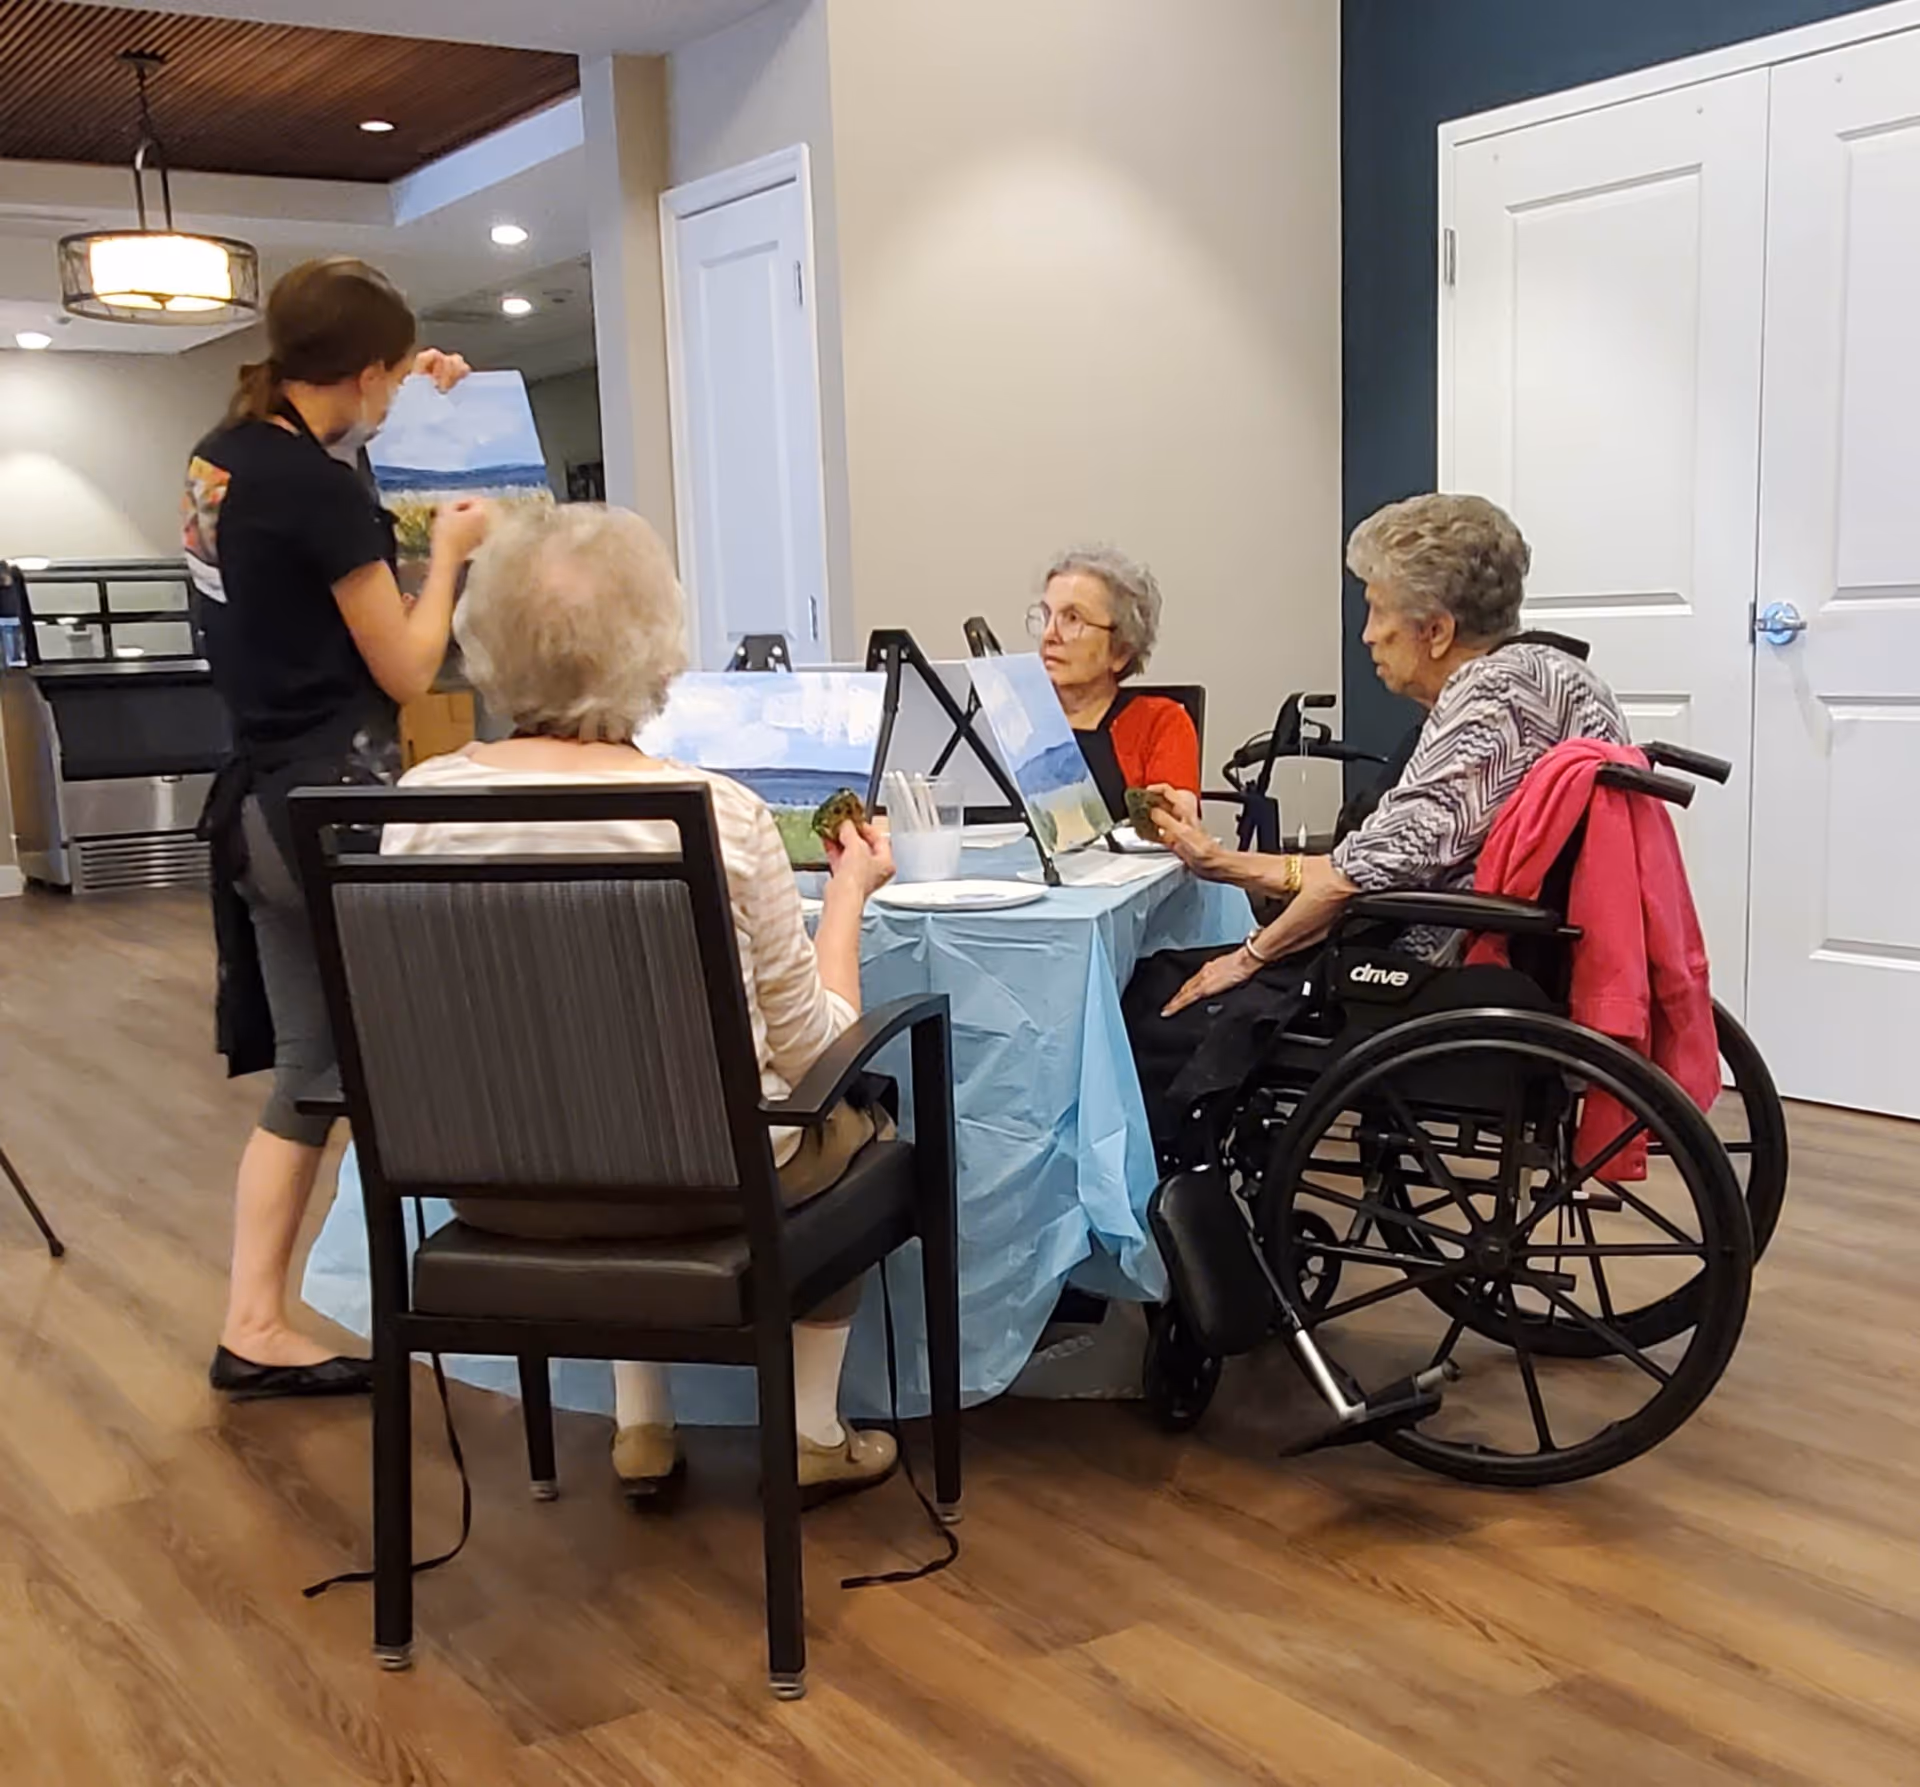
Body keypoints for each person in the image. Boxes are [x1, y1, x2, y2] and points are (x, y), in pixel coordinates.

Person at [380, 502, 903, 1507]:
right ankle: (811, 1431)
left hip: (487, 1186)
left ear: (486, 640)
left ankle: (641, 1424)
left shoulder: (417, 807)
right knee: (860, 1123)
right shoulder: (720, 812)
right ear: (658, 651)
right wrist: (845, 902)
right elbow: (807, 1051)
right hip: (702, 1185)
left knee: (590, 1080)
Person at [188, 256, 487, 1399]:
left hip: (259, 805)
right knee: (424, 1050)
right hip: (333, 807)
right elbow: (409, 668)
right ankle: (474, 1289)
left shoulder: (225, 455)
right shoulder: (318, 490)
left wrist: (417, 388)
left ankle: (252, 1319)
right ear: (362, 371)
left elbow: (319, 482)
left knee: (313, 1071)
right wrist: (449, 555)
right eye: (393, 378)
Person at [1126, 493, 1630, 1138]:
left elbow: (1353, 881)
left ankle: (1165, 1202)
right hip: (1491, 947)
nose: (1366, 634)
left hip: (1420, 976)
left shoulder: (1490, 698)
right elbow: (1370, 861)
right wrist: (1219, 863)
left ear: (1437, 630)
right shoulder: (1558, 671)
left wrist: (1248, 958)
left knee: (1151, 997)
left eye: (1376, 609)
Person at [1028, 546, 1200, 819]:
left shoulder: (1160, 722)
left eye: (1072, 619)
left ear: (1120, 651)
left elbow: (1177, 830)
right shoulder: (1013, 719)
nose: (1049, 635)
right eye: (1047, 616)